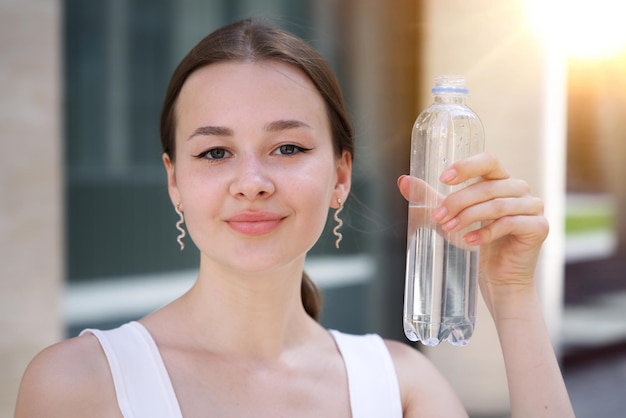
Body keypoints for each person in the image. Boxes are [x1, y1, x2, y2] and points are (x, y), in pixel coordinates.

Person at [14, 18, 574, 417]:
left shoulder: (398, 385)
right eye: (215, 152)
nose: (253, 182)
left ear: (340, 176)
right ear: (174, 182)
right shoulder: (78, 384)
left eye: (287, 148)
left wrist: (513, 297)